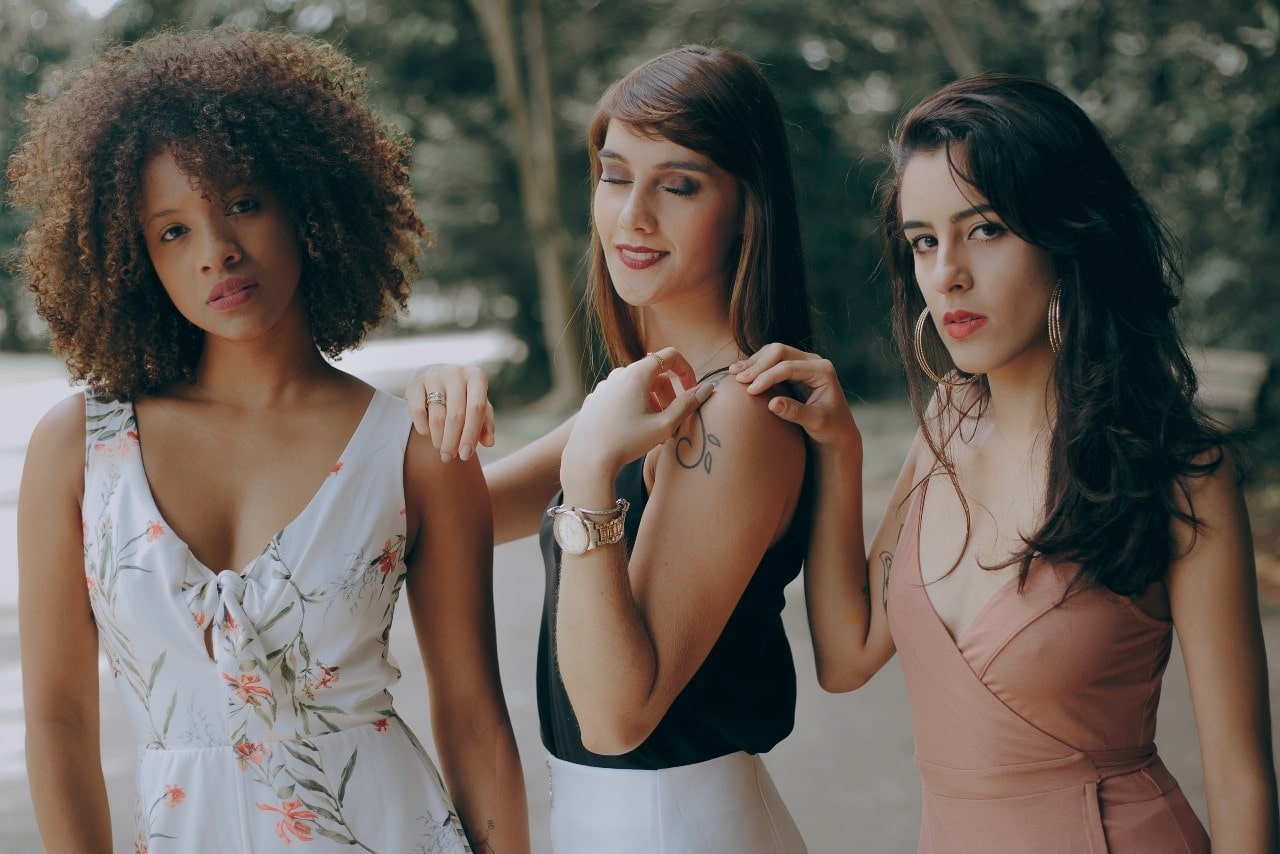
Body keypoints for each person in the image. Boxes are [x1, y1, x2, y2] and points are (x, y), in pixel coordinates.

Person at [10, 28, 529, 853]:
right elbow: (59, 719)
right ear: (133, 257)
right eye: (172, 231)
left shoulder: (413, 448)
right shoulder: (78, 450)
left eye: (243, 203)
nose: (217, 252)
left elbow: (472, 720)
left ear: (308, 206)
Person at [729, 75, 1278, 851]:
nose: (946, 271)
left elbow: (1242, 780)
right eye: (923, 240)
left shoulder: (1178, 472)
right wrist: (841, 451)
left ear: (1065, 236)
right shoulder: (944, 430)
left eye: (984, 229)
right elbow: (846, 657)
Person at [409, 45, 814, 852]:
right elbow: (453, 518)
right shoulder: (659, 391)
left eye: (680, 183)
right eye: (616, 173)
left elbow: (617, 716)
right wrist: (437, 401)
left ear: (745, 206)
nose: (633, 214)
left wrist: (590, 476)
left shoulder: (739, 411)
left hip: (680, 826)